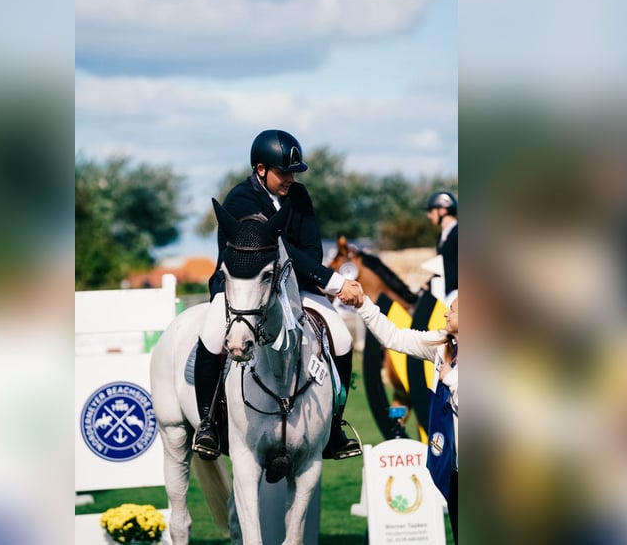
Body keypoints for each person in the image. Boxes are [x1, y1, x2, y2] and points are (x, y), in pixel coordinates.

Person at [192, 129, 365, 461]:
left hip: (294, 288)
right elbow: (275, 249)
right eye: (284, 172)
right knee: (212, 334)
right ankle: (208, 423)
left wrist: (312, 275)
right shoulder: (240, 200)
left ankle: (335, 426)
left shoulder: (299, 197)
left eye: (293, 172)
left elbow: (311, 250)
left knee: (341, 338)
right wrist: (332, 281)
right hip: (242, 289)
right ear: (261, 170)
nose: (290, 179)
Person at [344, 290, 459, 542]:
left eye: (454, 309)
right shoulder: (444, 345)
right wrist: (363, 304)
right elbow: (394, 336)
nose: (445, 312)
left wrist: (451, 378)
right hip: (454, 470)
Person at [426, 191, 458, 303]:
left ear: (443, 210)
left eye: (431, 211)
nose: (429, 215)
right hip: (446, 293)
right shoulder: (442, 236)